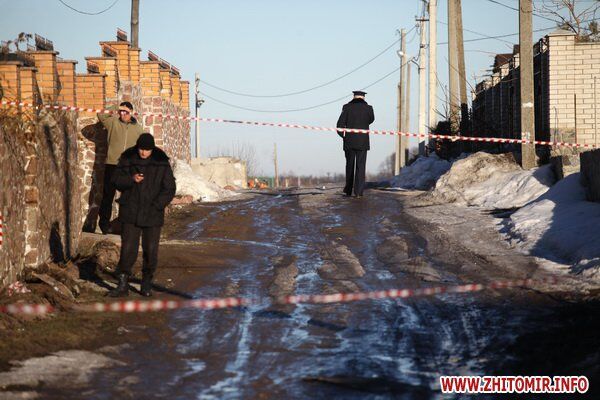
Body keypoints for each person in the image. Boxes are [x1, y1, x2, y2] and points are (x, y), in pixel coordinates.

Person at [108, 133, 176, 297]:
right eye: (141, 149)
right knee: (128, 249)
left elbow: (169, 188)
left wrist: (158, 205)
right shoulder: (128, 157)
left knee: (151, 250)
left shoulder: (161, 161)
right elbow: (116, 180)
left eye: (147, 150)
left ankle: (146, 283)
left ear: (152, 149)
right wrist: (131, 179)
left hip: (153, 214)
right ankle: (123, 283)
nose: (143, 153)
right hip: (130, 211)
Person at [97, 101, 143, 234]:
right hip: (112, 165)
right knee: (108, 196)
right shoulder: (112, 123)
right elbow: (101, 115)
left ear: (131, 112)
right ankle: (104, 225)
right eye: (121, 111)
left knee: (128, 197)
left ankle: (126, 225)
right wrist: (117, 106)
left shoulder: (138, 129)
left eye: (126, 111)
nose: (123, 114)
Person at [336, 90, 375, 198]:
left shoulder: (346, 107)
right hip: (363, 142)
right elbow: (371, 119)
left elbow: (339, 125)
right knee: (360, 166)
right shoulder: (368, 108)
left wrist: (343, 136)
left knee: (349, 165)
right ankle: (358, 192)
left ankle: (348, 190)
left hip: (349, 141)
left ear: (353, 97)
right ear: (363, 98)